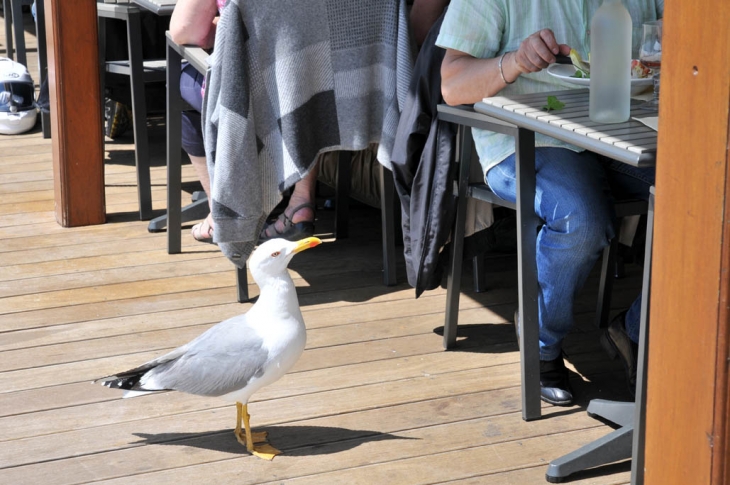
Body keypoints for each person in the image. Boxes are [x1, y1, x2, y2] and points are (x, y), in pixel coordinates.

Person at [437, 1, 663, 406]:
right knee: (581, 216)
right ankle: (541, 348)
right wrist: (514, 61)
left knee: (707, 196)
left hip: (627, 128)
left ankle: (637, 330)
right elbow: (453, 84)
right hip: (525, 135)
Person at [170, 0, 318, 244]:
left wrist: (223, 29)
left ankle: (222, 215)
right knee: (304, 74)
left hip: (246, 93)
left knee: (182, 81)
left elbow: (185, 31)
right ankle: (302, 201)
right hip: (339, 87)